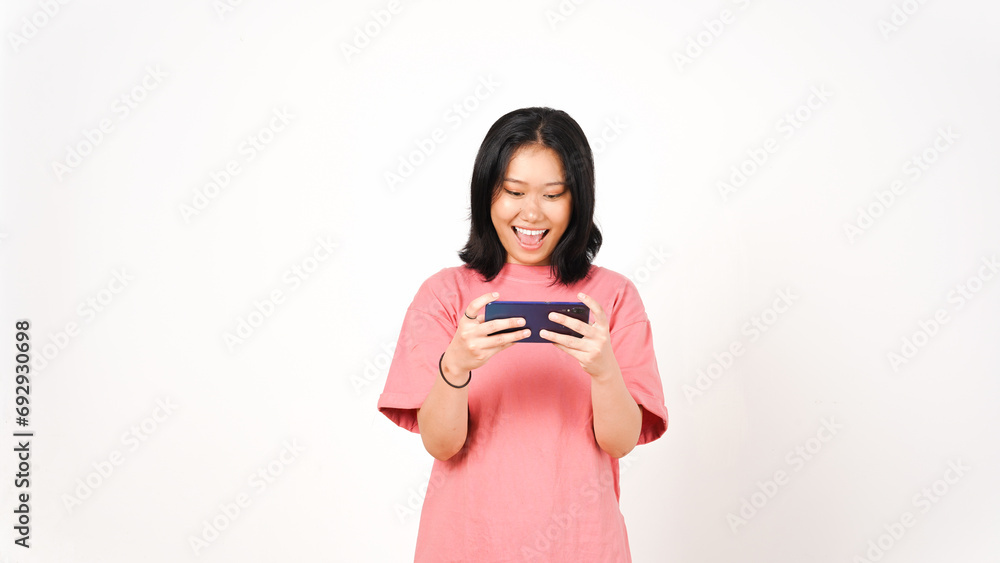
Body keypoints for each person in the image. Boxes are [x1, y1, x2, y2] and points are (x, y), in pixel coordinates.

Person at [377, 107, 667, 561]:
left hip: (582, 547)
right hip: (467, 546)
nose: (531, 212)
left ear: (578, 200)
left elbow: (619, 442)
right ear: (486, 194)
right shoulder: (444, 296)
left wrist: (604, 371)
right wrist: (456, 366)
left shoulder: (613, 297)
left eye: (553, 194)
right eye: (514, 191)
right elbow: (442, 444)